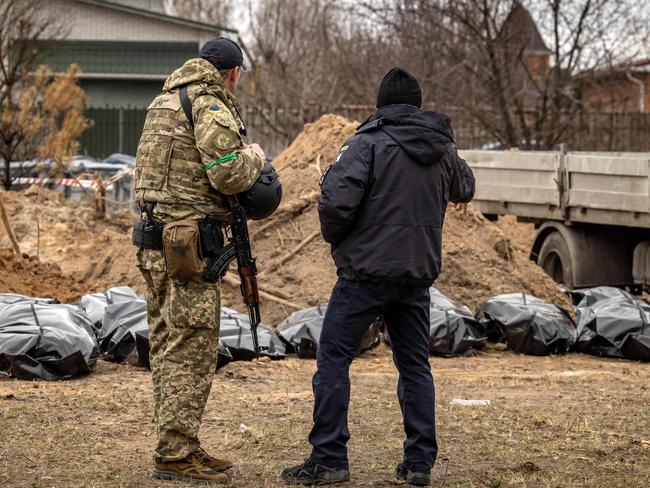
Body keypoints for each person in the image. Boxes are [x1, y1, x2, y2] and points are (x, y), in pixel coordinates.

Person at [281, 67, 475, 486]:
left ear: (381, 104)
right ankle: (420, 463)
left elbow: (335, 203)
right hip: (416, 277)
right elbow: (466, 187)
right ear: (419, 104)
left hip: (363, 275)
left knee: (333, 358)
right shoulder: (443, 148)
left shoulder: (366, 143)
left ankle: (329, 457)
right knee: (414, 366)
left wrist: (340, 243)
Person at [133, 37, 265, 485]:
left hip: (154, 242)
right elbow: (227, 171)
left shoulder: (163, 101)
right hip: (185, 246)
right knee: (191, 348)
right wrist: (255, 157)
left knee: (170, 342)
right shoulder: (207, 104)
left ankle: (179, 444)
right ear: (233, 72)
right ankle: (174, 452)